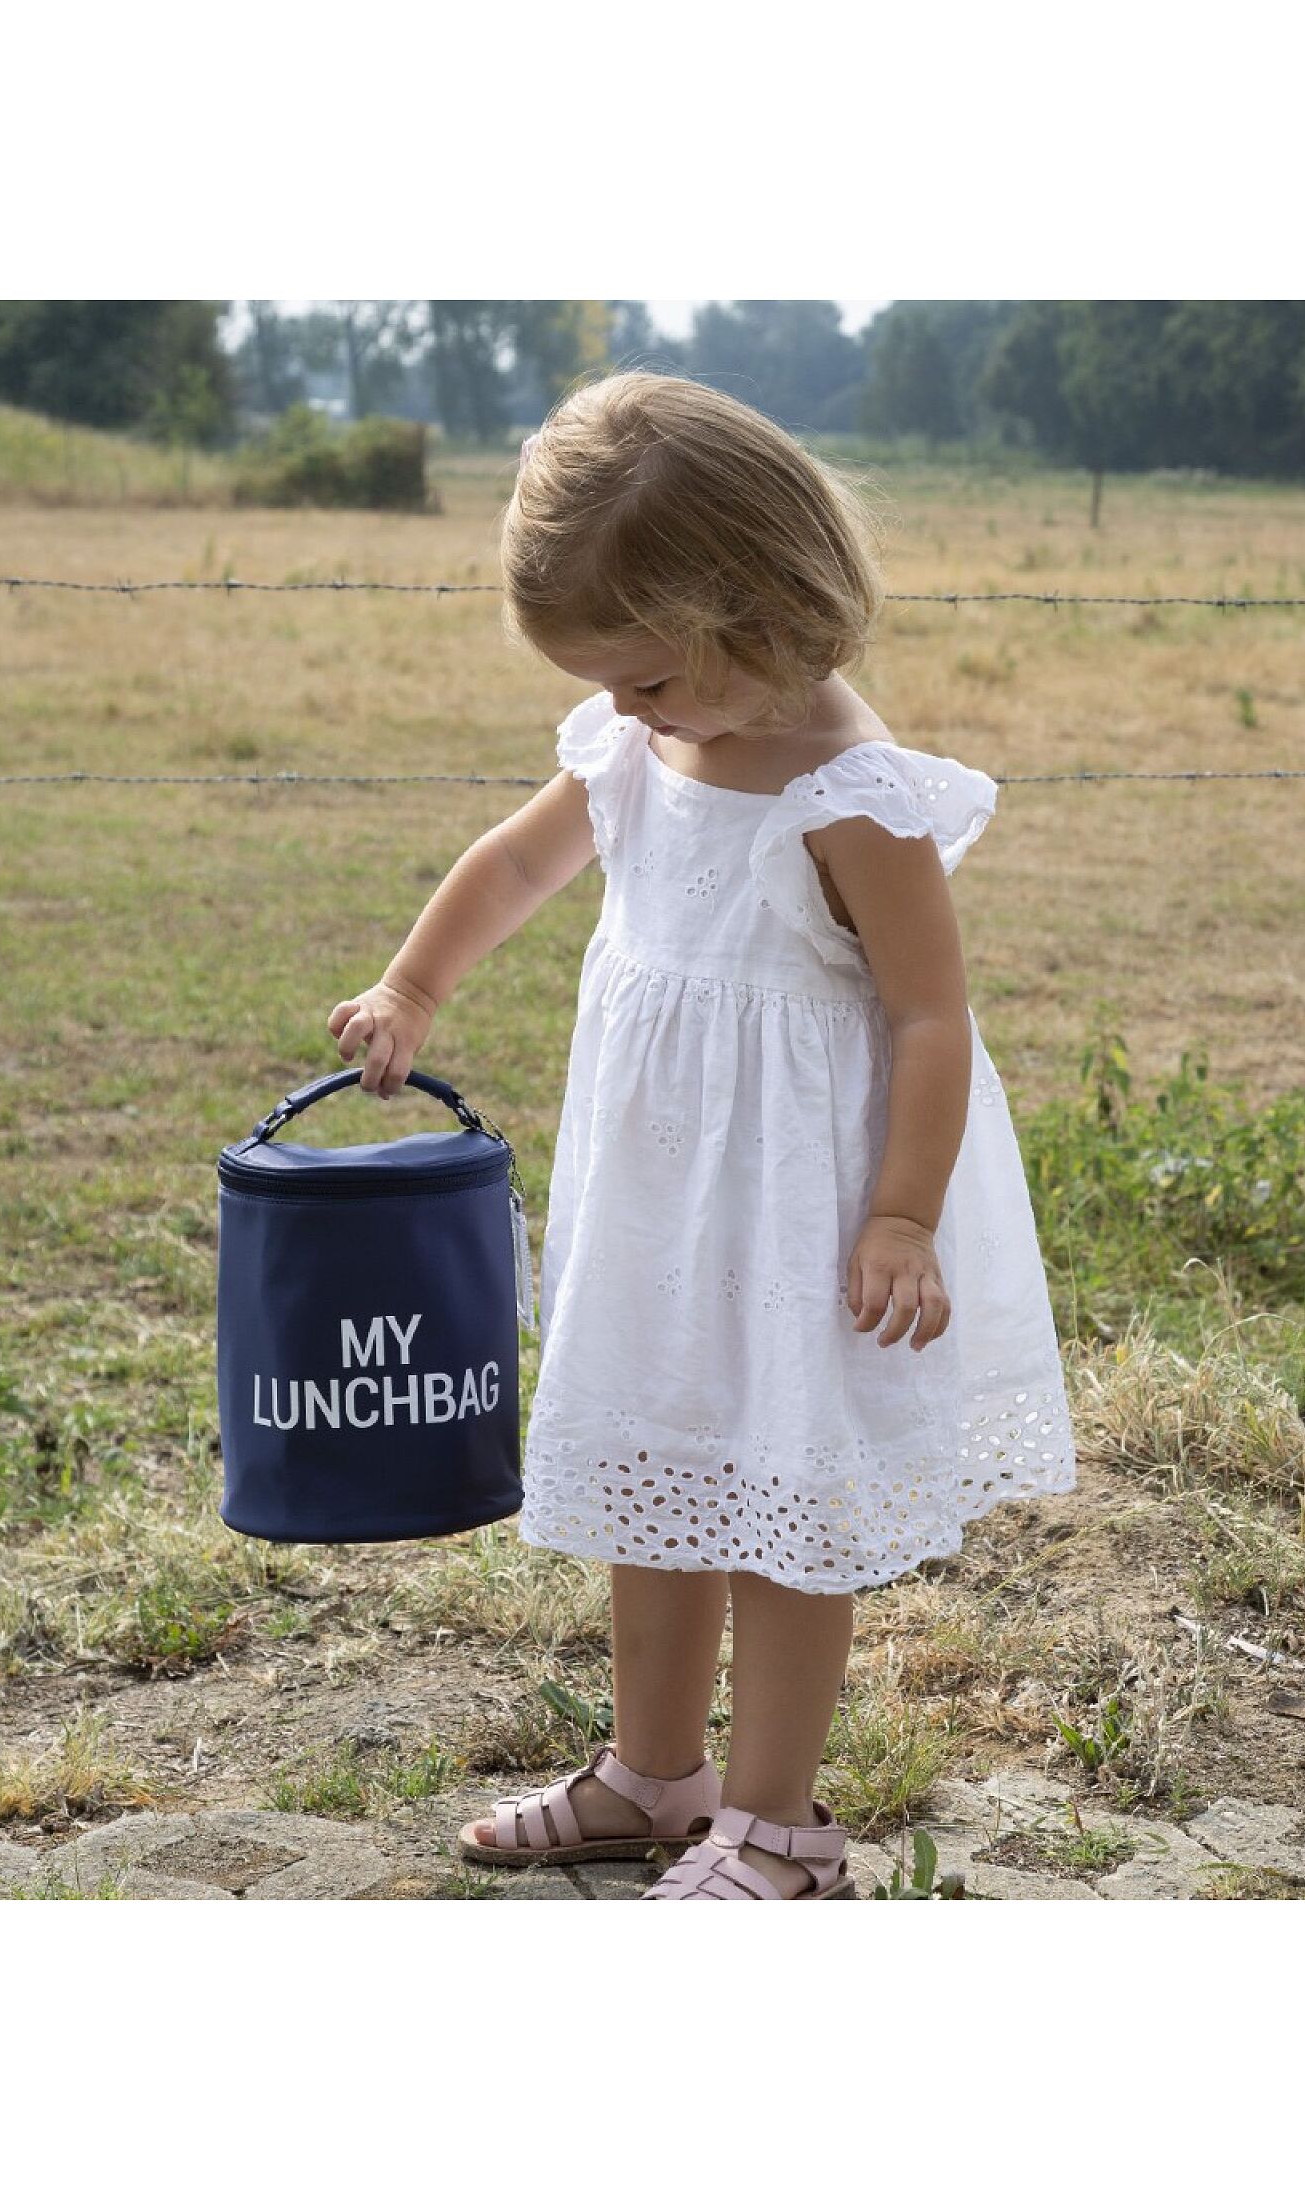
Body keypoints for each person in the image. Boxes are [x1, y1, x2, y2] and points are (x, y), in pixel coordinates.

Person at [327, 370, 1077, 1901]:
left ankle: (780, 1826)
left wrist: (902, 1215)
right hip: (663, 1196)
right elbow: (515, 864)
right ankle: (654, 1773)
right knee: (654, 1459)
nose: (623, 710)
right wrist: (413, 985)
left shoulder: (853, 795)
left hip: (807, 1210)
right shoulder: (640, 746)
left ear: (756, 609)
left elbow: (931, 1019)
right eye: (607, 684)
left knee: (781, 1496)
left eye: (648, 678)